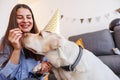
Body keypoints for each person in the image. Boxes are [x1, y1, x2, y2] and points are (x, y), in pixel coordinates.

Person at [0, 4, 52, 80]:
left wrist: (40, 72)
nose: (25, 20)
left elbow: (39, 75)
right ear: (13, 20)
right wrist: (17, 49)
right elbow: (3, 78)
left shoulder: (40, 41)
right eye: (20, 17)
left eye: (29, 17)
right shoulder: (4, 43)